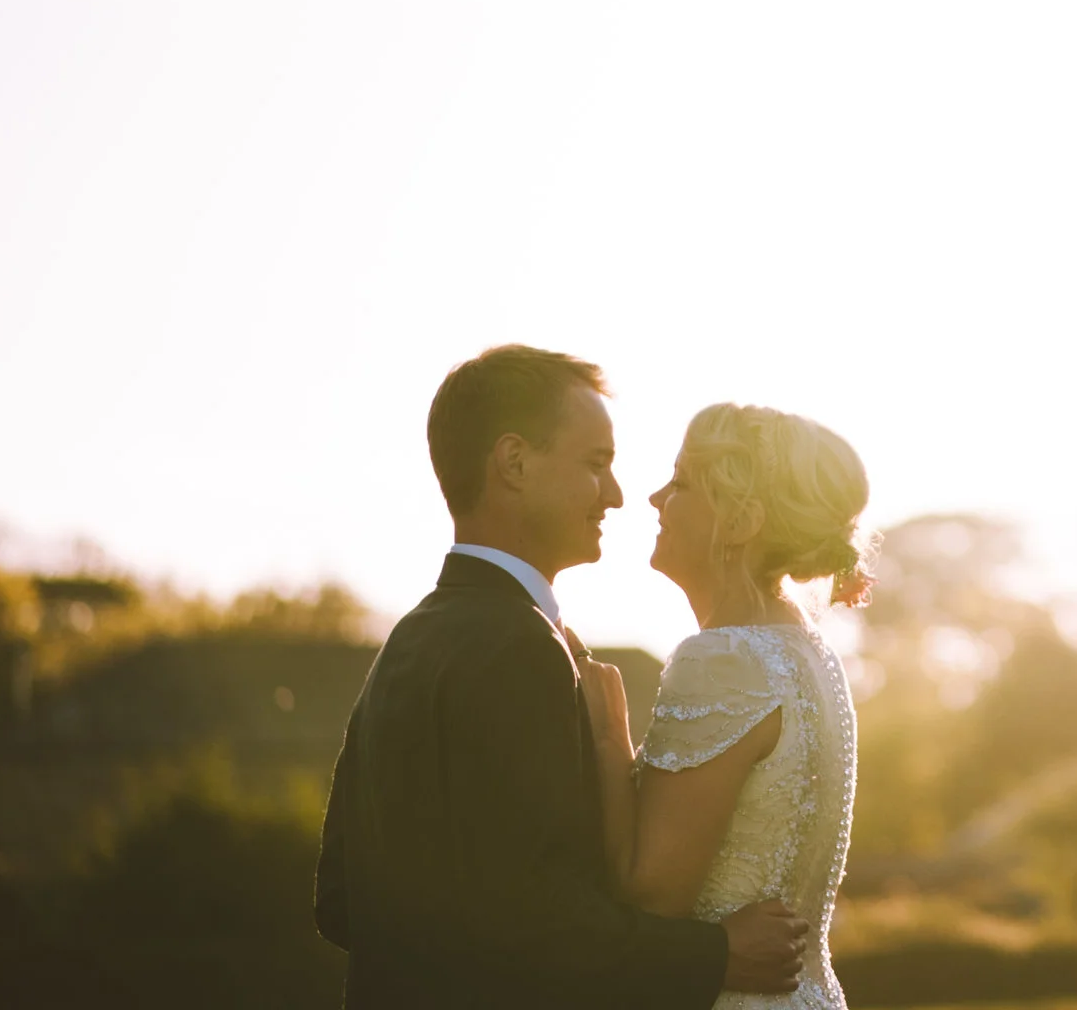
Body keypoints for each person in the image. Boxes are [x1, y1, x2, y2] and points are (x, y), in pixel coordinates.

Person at [315, 346, 809, 1009]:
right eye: (596, 464)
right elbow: (532, 920)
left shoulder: (411, 639)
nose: (616, 493)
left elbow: (340, 902)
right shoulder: (518, 649)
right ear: (515, 463)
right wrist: (717, 953)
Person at [576, 402, 872, 1010]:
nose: (655, 499)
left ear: (739, 523)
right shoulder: (809, 652)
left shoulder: (723, 660)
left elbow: (651, 895)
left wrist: (608, 741)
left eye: (681, 482)